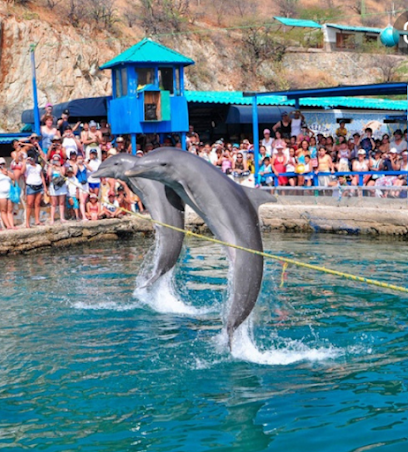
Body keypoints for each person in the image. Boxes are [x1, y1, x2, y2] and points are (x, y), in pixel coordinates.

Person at [21, 156, 47, 228]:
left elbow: (42, 176)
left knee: (37, 203)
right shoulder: (27, 166)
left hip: (39, 185)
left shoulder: (38, 166)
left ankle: (37, 220)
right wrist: (25, 161)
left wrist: (44, 187)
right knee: (29, 204)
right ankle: (27, 222)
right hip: (31, 186)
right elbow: (22, 172)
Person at [48, 154, 67, 224]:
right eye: (54, 160)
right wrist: (51, 165)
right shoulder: (50, 167)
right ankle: (52, 219)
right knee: (54, 203)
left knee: (61, 203)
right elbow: (49, 174)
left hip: (61, 185)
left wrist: (59, 167)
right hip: (54, 186)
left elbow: (63, 174)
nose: (56, 161)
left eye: (57, 160)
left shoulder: (62, 167)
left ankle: (62, 217)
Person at [0, 157, 16, 230]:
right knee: (3, 210)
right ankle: (7, 225)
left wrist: (7, 172)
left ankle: (12, 225)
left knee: (10, 210)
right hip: (1, 193)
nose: (1, 165)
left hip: (9, 193)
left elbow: (13, 178)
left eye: (3, 163)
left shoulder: (7, 171)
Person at [74, 154, 89, 221]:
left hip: (85, 184)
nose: (80, 159)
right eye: (78, 158)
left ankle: (83, 214)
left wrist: (85, 163)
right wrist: (77, 164)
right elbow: (74, 173)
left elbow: (91, 169)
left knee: (84, 201)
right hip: (79, 184)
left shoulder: (84, 165)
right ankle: (83, 217)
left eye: (81, 158)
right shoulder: (75, 165)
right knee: (82, 201)